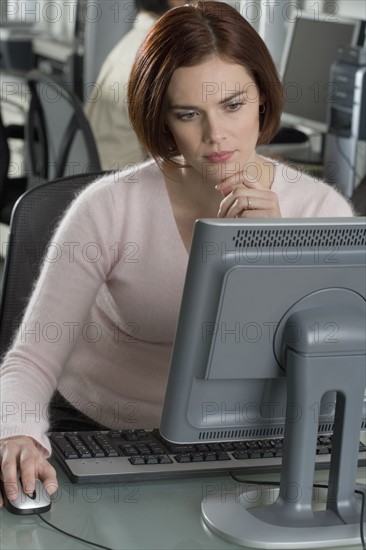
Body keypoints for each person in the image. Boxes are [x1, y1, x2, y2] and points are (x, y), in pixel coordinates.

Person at [0, 1, 353, 506]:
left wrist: (274, 259)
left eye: (233, 105)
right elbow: (30, 360)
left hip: (255, 447)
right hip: (104, 437)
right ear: (162, 120)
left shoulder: (319, 211)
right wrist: (18, 434)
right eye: (189, 114)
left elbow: (335, 370)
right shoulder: (109, 208)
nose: (217, 137)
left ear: (263, 98)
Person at [85, 0, 185, 171]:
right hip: (123, 183)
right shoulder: (161, 52)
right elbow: (176, 162)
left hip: (96, 176)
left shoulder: (133, 41)